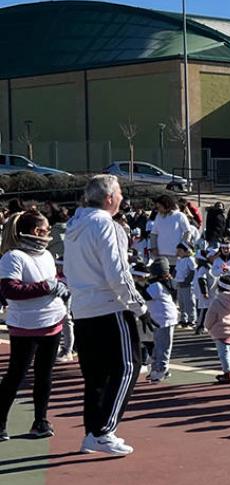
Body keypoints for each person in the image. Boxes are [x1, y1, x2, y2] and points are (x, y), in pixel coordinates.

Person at [62, 174, 149, 456]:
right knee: (128, 366)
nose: (123, 197)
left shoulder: (75, 225)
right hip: (109, 306)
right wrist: (139, 306)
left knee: (96, 375)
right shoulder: (106, 225)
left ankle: (93, 431)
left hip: (83, 308)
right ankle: (103, 431)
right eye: (120, 193)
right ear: (109, 198)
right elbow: (118, 273)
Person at [0, 209, 69, 441]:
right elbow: (10, 290)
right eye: (46, 229)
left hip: (53, 321)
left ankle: (40, 420)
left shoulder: (47, 255)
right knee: (16, 375)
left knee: (44, 375)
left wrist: (60, 285)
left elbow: (51, 281)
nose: (49, 233)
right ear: (35, 231)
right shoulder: (13, 257)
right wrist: (47, 287)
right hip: (25, 325)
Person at [204, 271, 230, 384]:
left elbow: (210, 317)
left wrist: (208, 327)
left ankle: (228, 372)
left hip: (220, 330)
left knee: (224, 353)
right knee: (228, 351)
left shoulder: (217, 301)